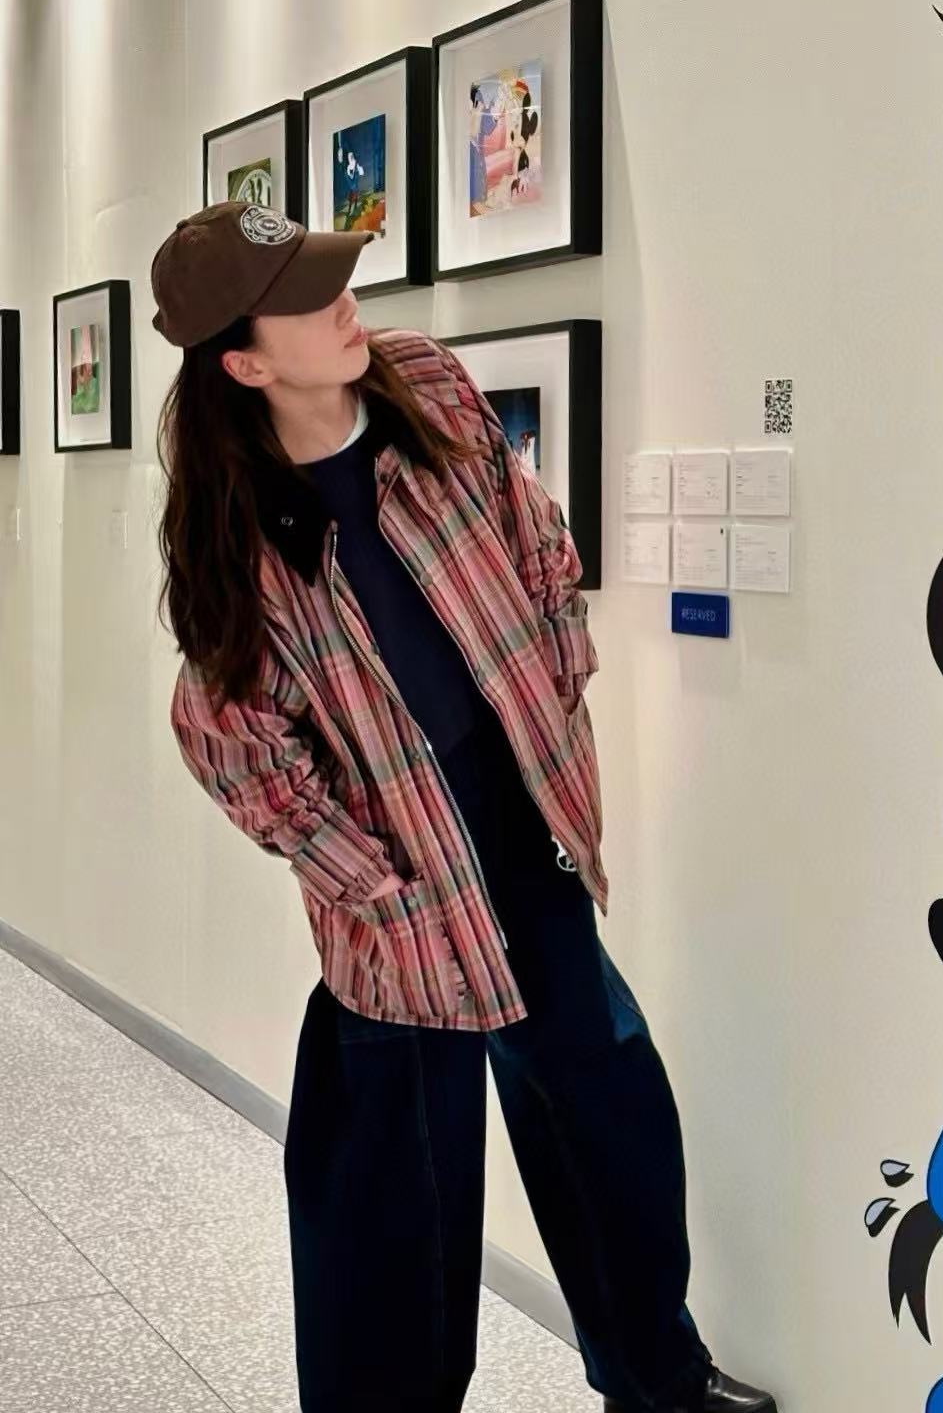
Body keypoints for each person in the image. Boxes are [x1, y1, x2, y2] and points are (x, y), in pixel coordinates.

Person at [150, 199, 778, 1413]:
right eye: (305, 298)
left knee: (610, 1119)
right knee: (398, 1209)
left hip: (523, 832)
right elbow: (226, 740)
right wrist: (366, 879)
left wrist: (559, 683)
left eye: (333, 273)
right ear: (245, 363)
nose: (344, 302)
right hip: (398, 894)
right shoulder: (238, 538)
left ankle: (658, 1379)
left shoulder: (426, 390)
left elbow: (537, 544)